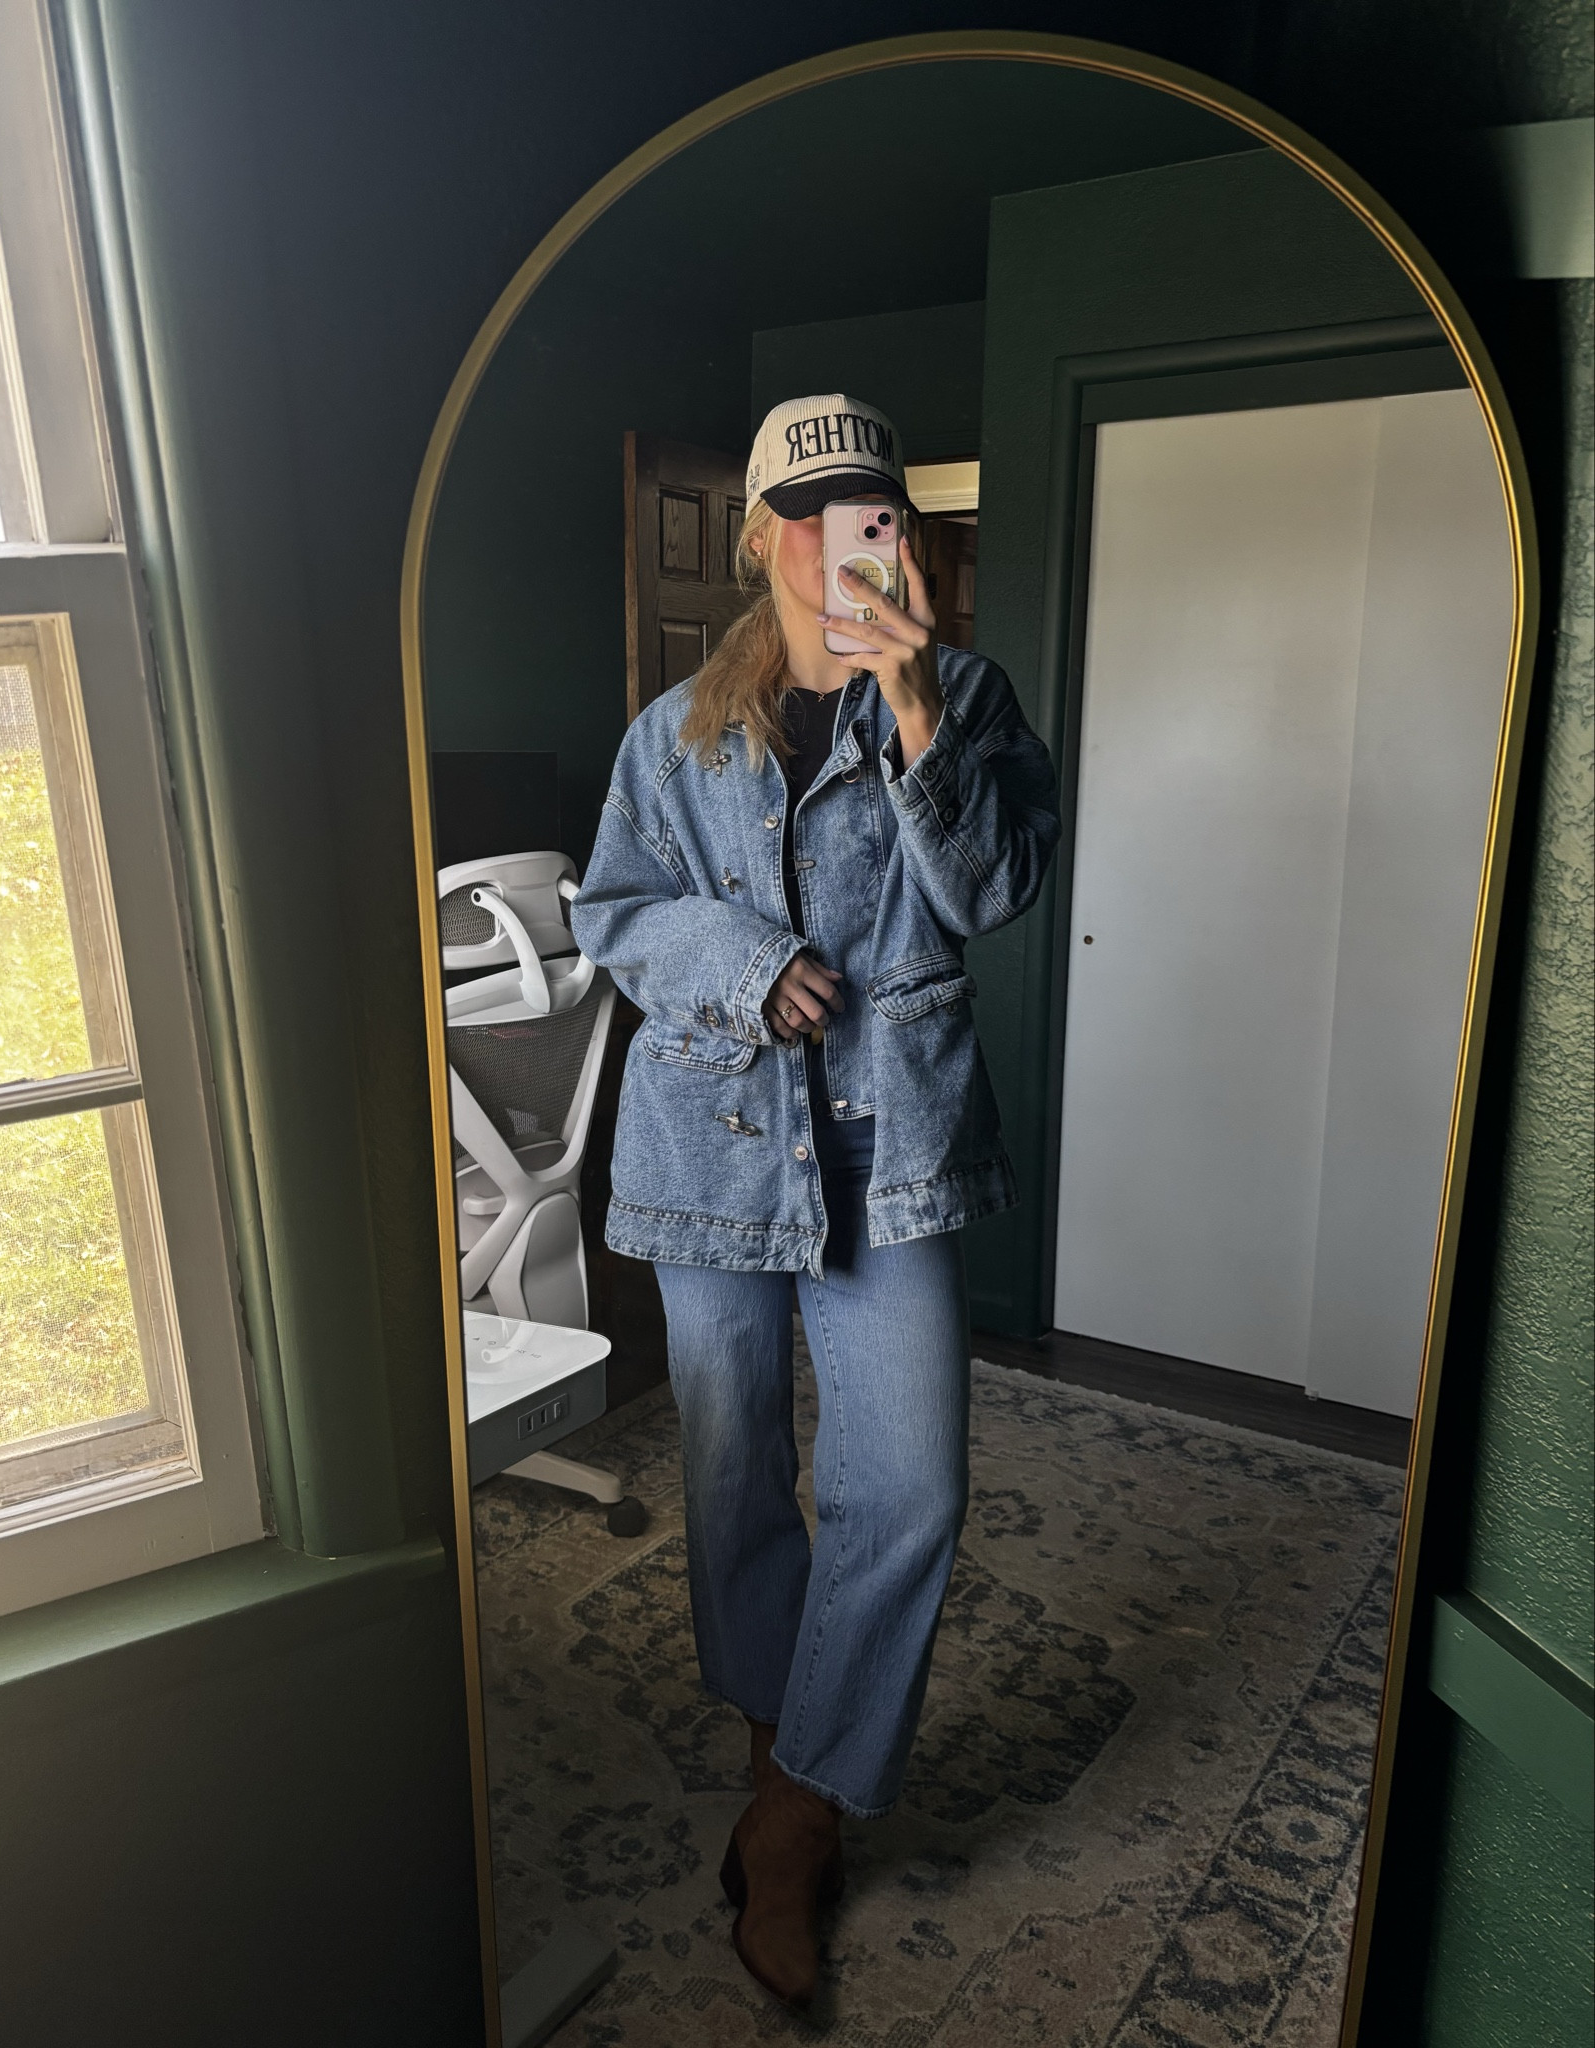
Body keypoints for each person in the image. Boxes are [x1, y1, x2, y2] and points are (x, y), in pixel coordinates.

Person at [571, 393, 1059, 2009]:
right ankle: (787, 1739)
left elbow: (989, 891)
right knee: (729, 1478)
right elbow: (618, 911)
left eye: (877, 509)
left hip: (891, 1146)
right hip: (710, 1139)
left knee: (903, 1484)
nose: (852, 536)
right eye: (819, 511)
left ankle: (791, 1812)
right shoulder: (676, 733)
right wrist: (741, 960)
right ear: (762, 539)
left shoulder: (964, 697)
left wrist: (914, 700)